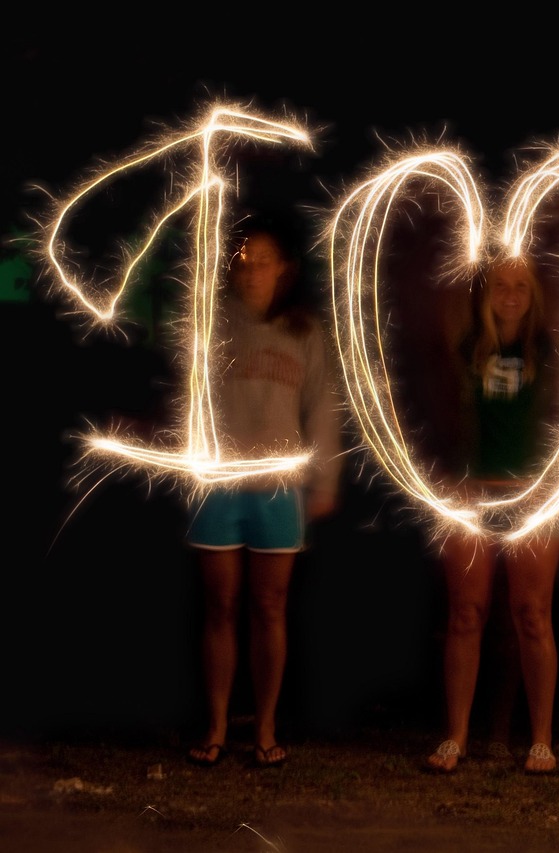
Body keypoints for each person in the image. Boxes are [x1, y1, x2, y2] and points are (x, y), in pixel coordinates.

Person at [186, 214, 343, 768]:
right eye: (243, 262)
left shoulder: (304, 332)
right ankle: (218, 724)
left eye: (263, 262)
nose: (251, 271)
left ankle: (267, 726)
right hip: (220, 483)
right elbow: (189, 396)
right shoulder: (213, 324)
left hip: (278, 489)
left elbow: (323, 406)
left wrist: (324, 480)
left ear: (285, 271)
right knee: (220, 606)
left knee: (270, 606)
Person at [424, 255, 559, 776]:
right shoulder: (465, 350)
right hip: (472, 495)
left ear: (534, 294)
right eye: (499, 285)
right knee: (465, 614)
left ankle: (542, 740)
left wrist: (552, 481)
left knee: (533, 615)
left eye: (521, 285)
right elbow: (444, 414)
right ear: (484, 293)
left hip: (533, 497)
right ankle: (456, 735)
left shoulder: (550, 353)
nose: (510, 294)